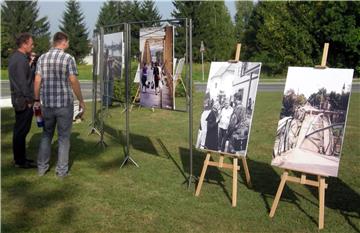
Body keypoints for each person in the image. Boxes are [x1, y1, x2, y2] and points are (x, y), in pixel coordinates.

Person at [34, 32, 85, 177]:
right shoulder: (68, 58)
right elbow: (73, 80)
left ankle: (42, 168)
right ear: (63, 42)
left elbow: (37, 81)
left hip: (47, 104)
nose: (68, 45)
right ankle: (61, 171)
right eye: (67, 42)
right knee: (63, 138)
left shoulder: (42, 58)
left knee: (46, 135)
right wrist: (81, 100)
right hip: (64, 104)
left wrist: (37, 100)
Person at [8, 33, 36, 168]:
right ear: (24, 44)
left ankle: (21, 158)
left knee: (21, 131)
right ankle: (20, 161)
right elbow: (22, 83)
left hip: (21, 99)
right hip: (23, 101)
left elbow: (24, 77)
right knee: (21, 131)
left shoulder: (19, 58)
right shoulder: (19, 60)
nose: (32, 45)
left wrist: (30, 64)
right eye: (31, 43)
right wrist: (29, 99)